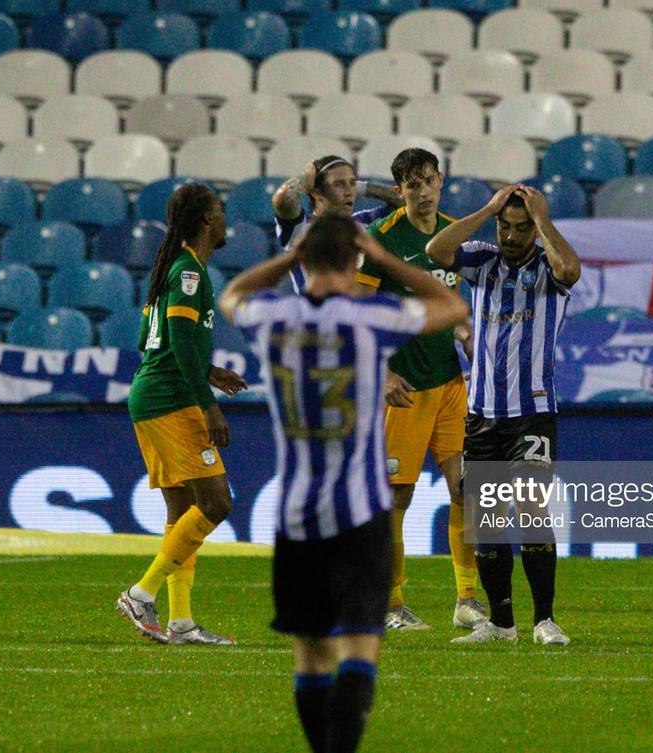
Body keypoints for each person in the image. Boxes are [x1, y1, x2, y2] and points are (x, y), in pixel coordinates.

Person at [220, 214, 467, 753]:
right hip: (361, 512)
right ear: (355, 257)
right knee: (359, 650)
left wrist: (288, 258)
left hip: (296, 514)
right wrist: (382, 258)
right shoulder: (369, 315)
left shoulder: (273, 314)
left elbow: (231, 295)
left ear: (305, 258)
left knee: (310, 658)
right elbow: (453, 308)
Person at [426, 183, 582, 645]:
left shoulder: (547, 265)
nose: (512, 237)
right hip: (482, 414)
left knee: (532, 509)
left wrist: (544, 220)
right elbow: (437, 249)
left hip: (532, 411)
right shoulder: (480, 258)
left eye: (522, 227)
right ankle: (501, 623)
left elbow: (570, 269)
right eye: (506, 227)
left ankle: (545, 620)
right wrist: (488, 209)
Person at [356, 148, 484, 631]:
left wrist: (467, 337)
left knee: (467, 491)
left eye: (429, 181)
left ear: (441, 181)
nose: (423, 191)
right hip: (404, 388)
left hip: (449, 382)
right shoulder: (382, 239)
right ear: (401, 190)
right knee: (397, 499)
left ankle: (467, 599)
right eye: (413, 185)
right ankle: (390, 605)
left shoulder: (453, 235)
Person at [117, 182, 248, 646]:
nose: (227, 218)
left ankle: (182, 622)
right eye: (222, 210)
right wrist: (208, 403)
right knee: (217, 503)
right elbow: (176, 339)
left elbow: (149, 342)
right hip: (170, 399)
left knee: (184, 511)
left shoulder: (169, 271)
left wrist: (208, 370)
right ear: (207, 220)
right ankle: (140, 593)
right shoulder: (189, 273)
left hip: (153, 394)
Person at [272, 154, 402, 292]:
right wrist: (305, 179)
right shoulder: (300, 229)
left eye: (352, 183)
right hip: (317, 310)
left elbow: (407, 202)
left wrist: (357, 187)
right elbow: (283, 199)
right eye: (338, 184)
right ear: (316, 193)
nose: (349, 192)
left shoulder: (364, 222)